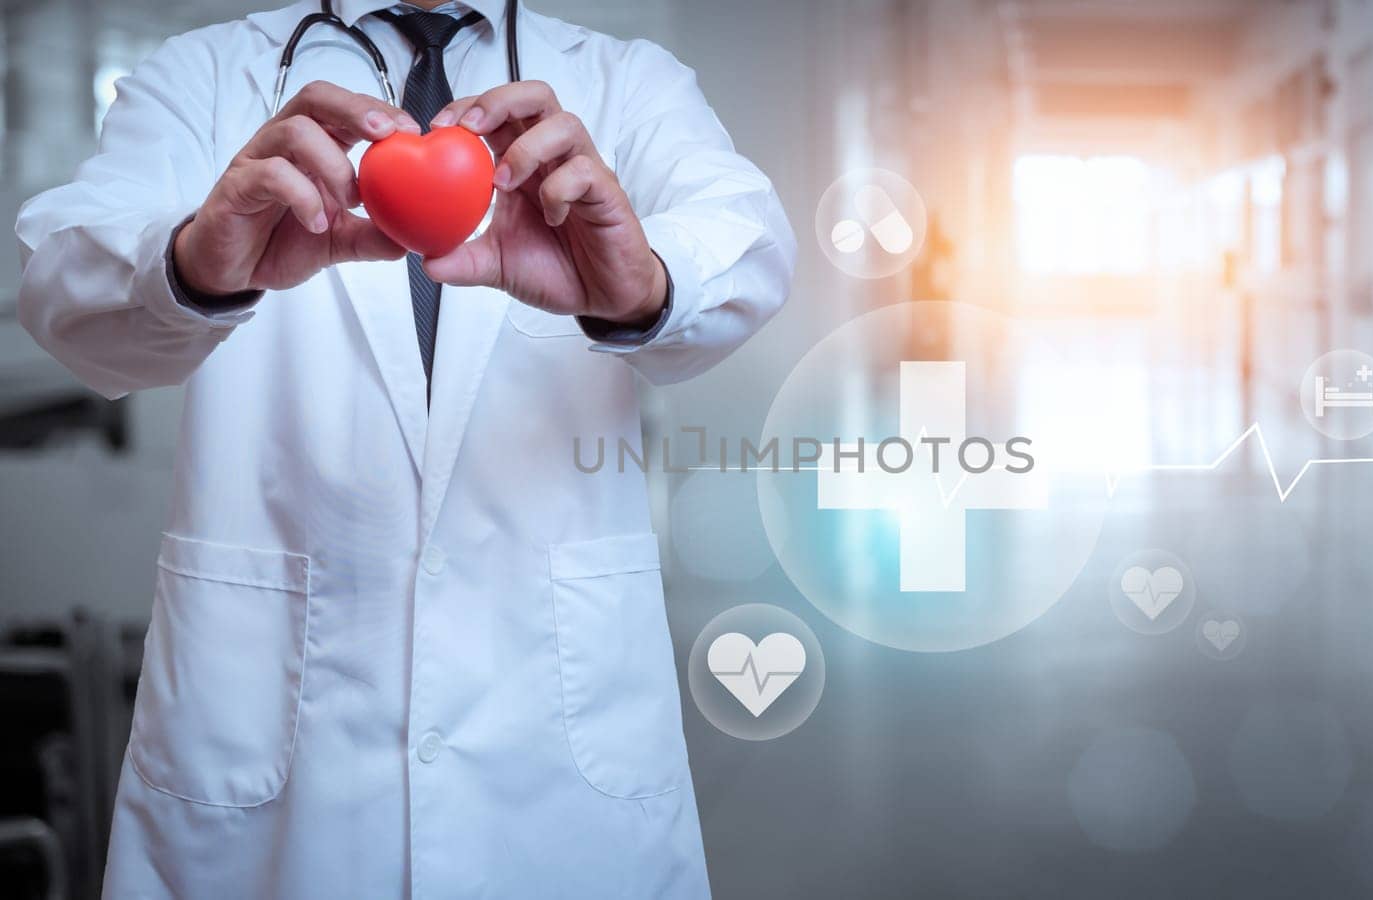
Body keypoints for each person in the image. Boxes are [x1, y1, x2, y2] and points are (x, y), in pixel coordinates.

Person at [15, 1, 795, 896]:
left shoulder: (626, 81)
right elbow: (65, 290)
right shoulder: (204, 76)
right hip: (272, 764)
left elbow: (753, 242)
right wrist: (192, 260)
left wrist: (647, 282)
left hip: (554, 757)